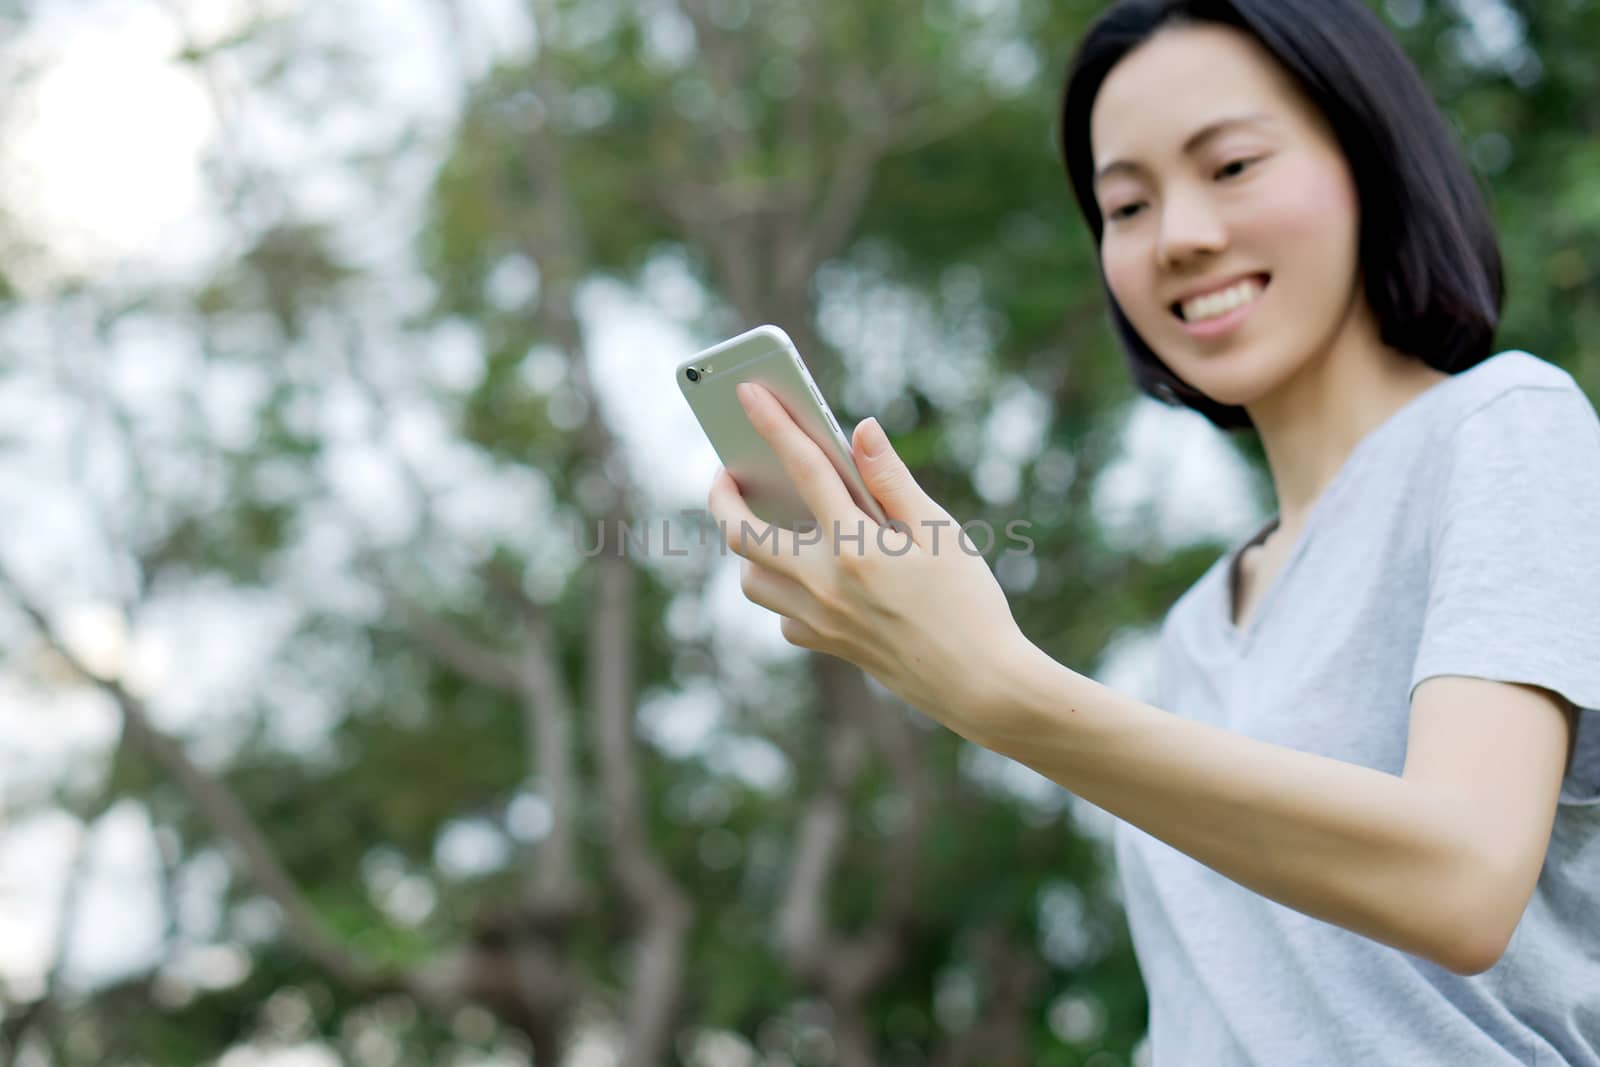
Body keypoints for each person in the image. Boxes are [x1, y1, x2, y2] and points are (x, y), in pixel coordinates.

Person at [705, 0, 1600, 1062]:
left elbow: (1462, 879)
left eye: (1229, 167)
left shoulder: (1504, 427)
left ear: (1367, 157)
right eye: (1124, 205)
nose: (1179, 237)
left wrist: (999, 688)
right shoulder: (1191, 634)